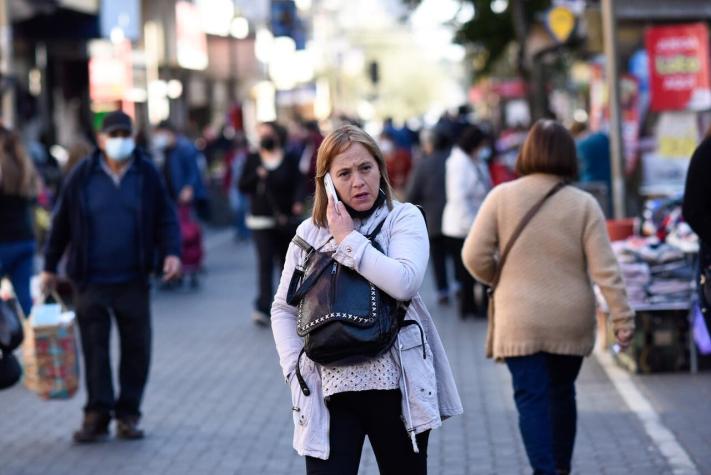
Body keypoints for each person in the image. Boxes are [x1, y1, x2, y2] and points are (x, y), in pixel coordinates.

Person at [271, 124, 463, 474]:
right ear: (326, 181)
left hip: (397, 386)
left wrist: (348, 239)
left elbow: (404, 282)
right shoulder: (308, 234)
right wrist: (293, 369)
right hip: (328, 389)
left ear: (380, 169)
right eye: (343, 173)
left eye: (365, 168)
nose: (358, 182)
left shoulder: (402, 218)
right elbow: (283, 307)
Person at [461, 119, 635, 475]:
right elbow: (606, 269)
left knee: (531, 399)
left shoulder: (501, 196)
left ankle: (546, 471)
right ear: (569, 156)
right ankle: (561, 468)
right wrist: (622, 319)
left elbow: (473, 255)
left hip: (518, 318)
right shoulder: (584, 204)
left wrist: (501, 278)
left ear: (526, 153)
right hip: (569, 319)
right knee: (562, 395)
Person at [41, 110, 181, 443]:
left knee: (137, 349)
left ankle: (128, 415)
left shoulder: (146, 173)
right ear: (102, 139)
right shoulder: (82, 175)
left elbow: (166, 217)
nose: (119, 140)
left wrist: (172, 253)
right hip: (90, 279)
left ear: (132, 138)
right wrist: (49, 266)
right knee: (95, 349)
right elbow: (61, 222)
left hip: (133, 278)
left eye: (124, 134)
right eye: (113, 135)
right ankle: (97, 413)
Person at [239, 121, 305, 326]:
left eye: (268, 134)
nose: (264, 138)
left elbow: (300, 182)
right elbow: (242, 185)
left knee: (286, 264)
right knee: (264, 262)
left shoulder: (290, 157)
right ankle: (262, 306)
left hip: (285, 220)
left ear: (277, 135)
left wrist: (297, 202)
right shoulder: (252, 159)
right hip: (260, 220)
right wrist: (256, 176)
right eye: (261, 134)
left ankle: (288, 306)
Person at [442, 125, 492, 318]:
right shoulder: (458, 164)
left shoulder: (475, 160)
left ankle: (476, 307)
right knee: (466, 269)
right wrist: (470, 226)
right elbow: (458, 198)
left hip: (475, 222)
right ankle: (468, 307)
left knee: (472, 268)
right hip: (462, 226)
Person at [152, 121, 207, 286]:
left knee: (187, 233)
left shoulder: (184, 148)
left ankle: (189, 266)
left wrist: (189, 188)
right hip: (170, 198)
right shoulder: (164, 151)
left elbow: (194, 171)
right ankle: (177, 268)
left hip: (183, 199)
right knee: (175, 232)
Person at [406, 126, 455, 304]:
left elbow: (412, 194)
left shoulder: (423, 165)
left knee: (438, 256)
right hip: (455, 218)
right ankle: (460, 286)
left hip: (433, 218)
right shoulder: (453, 159)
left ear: (430, 144)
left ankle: (443, 291)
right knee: (456, 254)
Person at [0, 126, 41, 316]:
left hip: (4, 242)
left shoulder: (3, 169)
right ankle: (32, 342)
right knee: (25, 300)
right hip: (25, 239)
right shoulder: (24, 166)